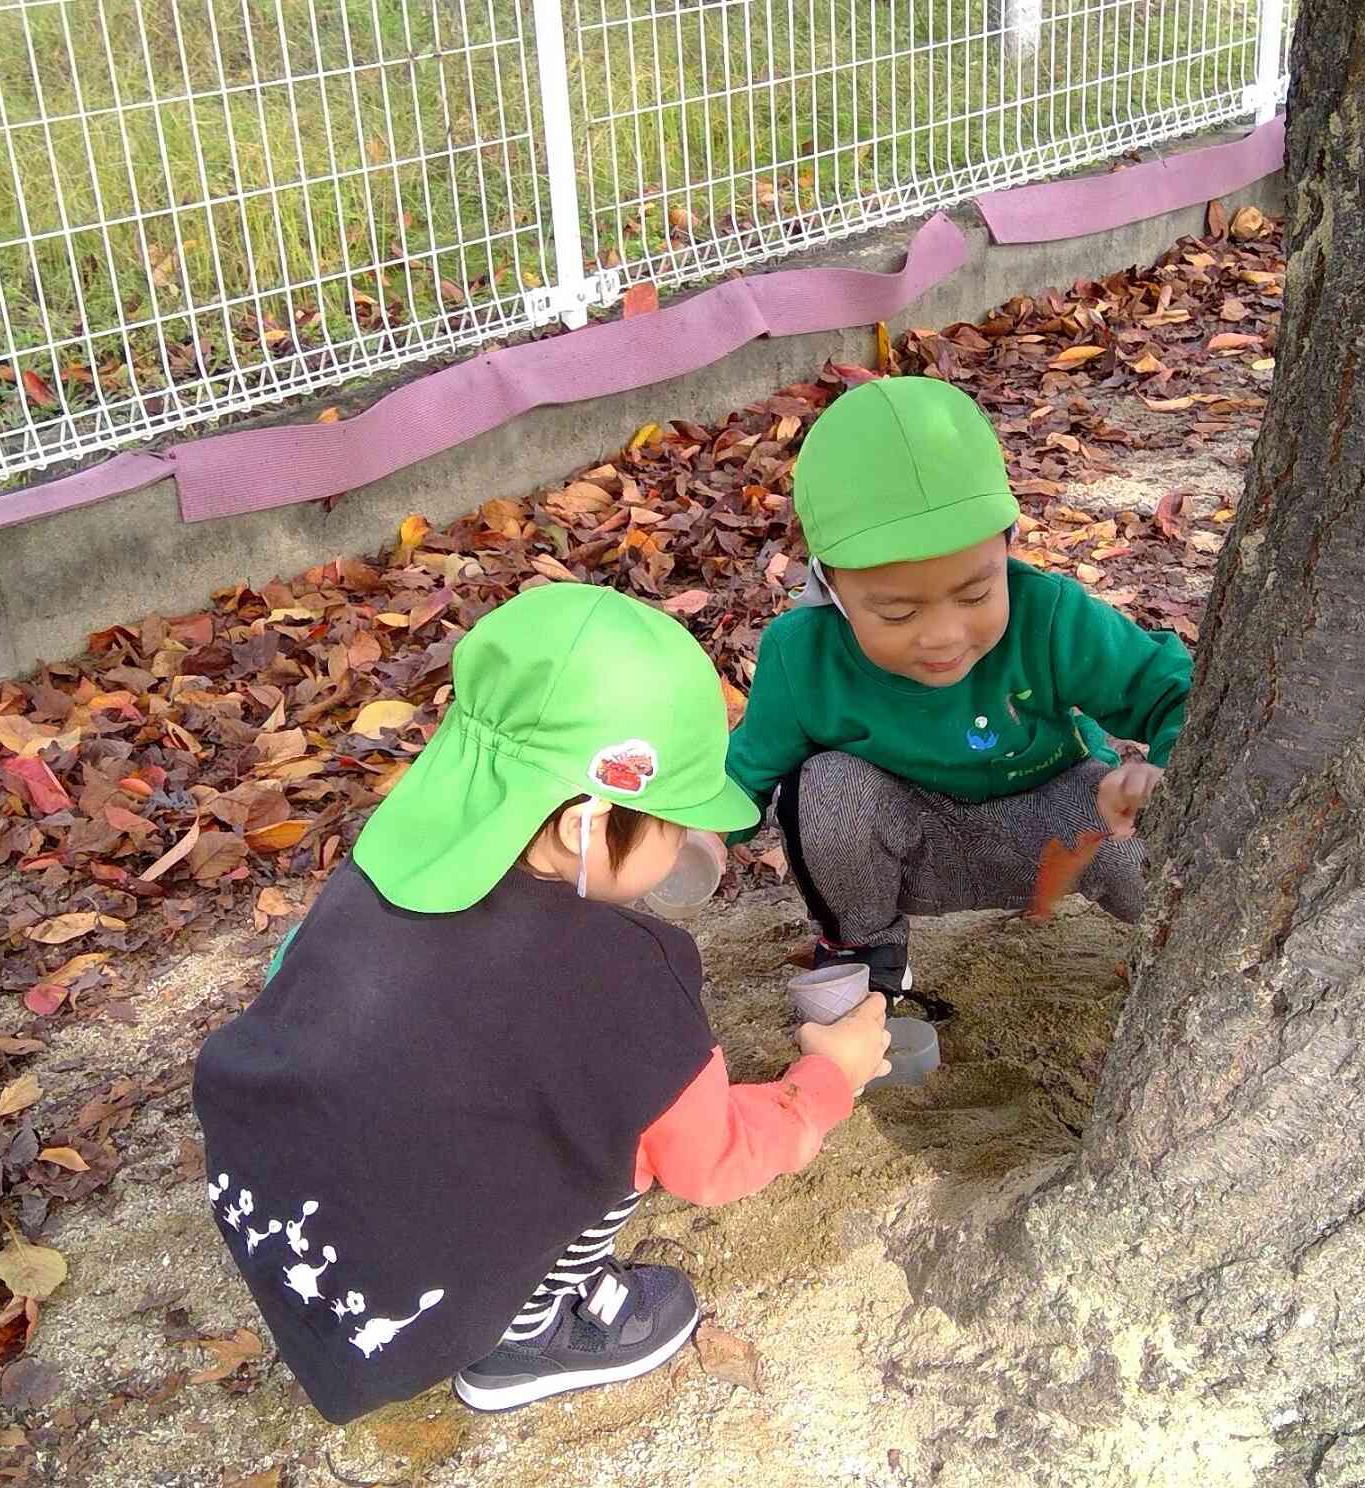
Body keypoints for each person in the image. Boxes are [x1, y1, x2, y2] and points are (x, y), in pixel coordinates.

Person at [192, 583, 893, 1424]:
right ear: (584, 828)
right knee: (620, 1126)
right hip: (410, 1292)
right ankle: (526, 1337)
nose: (683, 844)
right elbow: (711, 1162)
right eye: (670, 821)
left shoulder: (383, 864)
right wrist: (826, 1080)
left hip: (277, 1209)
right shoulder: (625, 975)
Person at [725, 376, 1193, 1019]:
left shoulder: (1049, 615)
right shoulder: (803, 653)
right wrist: (692, 836)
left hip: (1054, 826)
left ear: (1007, 544)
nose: (943, 637)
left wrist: (1161, 774)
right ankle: (865, 948)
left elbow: (1177, 690)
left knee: (1154, 843)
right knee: (824, 788)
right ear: (829, 586)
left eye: (975, 594)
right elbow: (748, 771)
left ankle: (1191, 955)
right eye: (895, 612)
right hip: (910, 839)